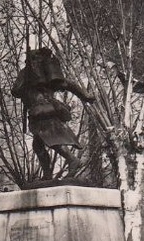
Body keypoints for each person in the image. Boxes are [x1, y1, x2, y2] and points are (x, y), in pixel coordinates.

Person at [11, 47, 94, 181]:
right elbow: (16, 91)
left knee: (51, 141)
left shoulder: (42, 74)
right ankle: (48, 174)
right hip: (40, 113)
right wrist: (85, 96)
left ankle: (72, 160)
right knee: (39, 146)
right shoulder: (34, 75)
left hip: (44, 113)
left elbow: (15, 90)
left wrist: (85, 96)